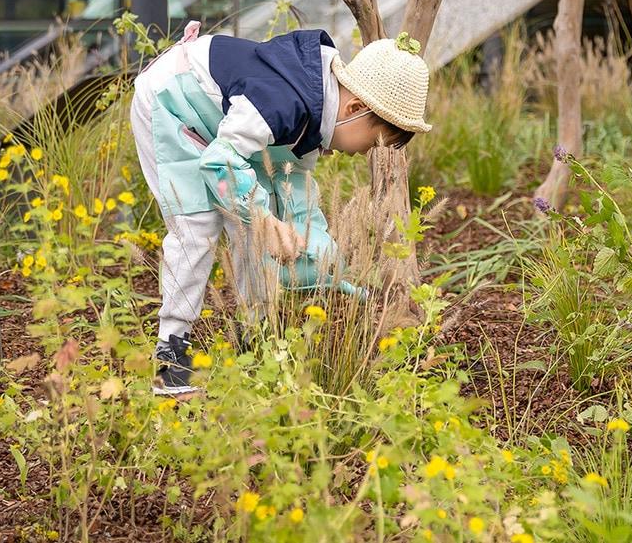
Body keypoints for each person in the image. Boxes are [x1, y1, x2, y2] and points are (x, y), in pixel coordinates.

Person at [128, 23, 432, 395]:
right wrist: (262, 217)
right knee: (198, 226)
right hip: (171, 103)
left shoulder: (316, 117)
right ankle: (171, 351)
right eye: (374, 142)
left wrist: (321, 256)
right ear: (355, 108)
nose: (365, 153)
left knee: (251, 223)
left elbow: (295, 194)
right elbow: (219, 162)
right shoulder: (280, 101)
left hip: (221, 130)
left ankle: (254, 332)